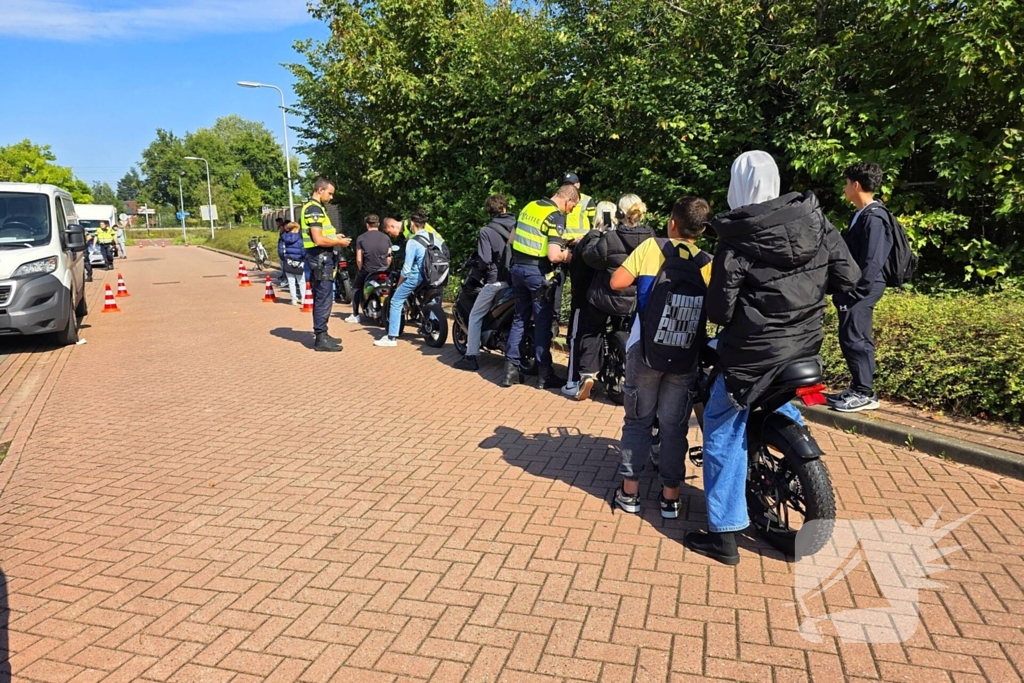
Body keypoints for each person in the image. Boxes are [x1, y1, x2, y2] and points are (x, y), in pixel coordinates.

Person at [683, 151, 860, 565]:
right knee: (773, 399)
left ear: (737, 185)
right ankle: (786, 449)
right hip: (805, 346)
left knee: (720, 425)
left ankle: (724, 535)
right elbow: (848, 278)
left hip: (752, 354)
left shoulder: (738, 236)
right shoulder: (818, 222)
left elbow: (719, 312)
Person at [607, 197, 714, 517]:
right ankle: (671, 498)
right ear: (702, 230)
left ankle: (630, 494)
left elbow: (617, 282)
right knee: (674, 426)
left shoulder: (651, 247)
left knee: (638, 421)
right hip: (685, 354)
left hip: (645, 349)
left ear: (672, 223)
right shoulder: (707, 261)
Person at [574, 194, 655, 400]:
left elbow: (590, 257)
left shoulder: (611, 238)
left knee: (591, 331)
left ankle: (587, 375)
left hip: (605, 297)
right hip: (634, 299)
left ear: (619, 213)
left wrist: (596, 234)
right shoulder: (651, 238)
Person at [828, 162, 892, 413]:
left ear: (856, 185)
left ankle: (864, 393)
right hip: (858, 286)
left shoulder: (875, 218)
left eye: (846, 183)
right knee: (854, 336)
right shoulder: (861, 214)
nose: (844, 188)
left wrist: (855, 292)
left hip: (865, 286)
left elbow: (873, 260)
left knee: (855, 337)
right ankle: (859, 387)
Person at [502, 184, 579, 388]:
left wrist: (559, 240)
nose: (570, 211)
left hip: (518, 269)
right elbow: (553, 255)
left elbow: (512, 239)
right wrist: (568, 255)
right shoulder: (556, 216)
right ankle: (545, 375)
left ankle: (510, 370)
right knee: (542, 323)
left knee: (520, 318)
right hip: (537, 274)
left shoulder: (530, 206)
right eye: (572, 207)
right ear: (568, 200)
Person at [454, 194, 517, 371]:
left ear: (489, 211)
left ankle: (471, 356)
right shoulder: (518, 225)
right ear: (504, 207)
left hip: (496, 281)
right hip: (517, 280)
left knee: (475, 316)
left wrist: (476, 264)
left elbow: (485, 261)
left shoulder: (486, 232)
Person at [561, 200, 616, 396]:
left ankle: (573, 381)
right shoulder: (618, 240)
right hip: (613, 297)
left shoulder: (590, 239)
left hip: (584, 297)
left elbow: (578, 268)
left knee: (577, 336)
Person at [375, 209, 444, 347]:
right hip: (435, 275)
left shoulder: (412, 241)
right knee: (433, 301)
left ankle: (391, 338)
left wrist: (399, 285)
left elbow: (406, 270)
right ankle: (434, 329)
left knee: (396, 301)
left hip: (417, 276)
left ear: (412, 223)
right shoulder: (434, 237)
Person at [301, 177, 352, 352]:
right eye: (329, 193)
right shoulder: (314, 209)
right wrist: (339, 243)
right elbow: (318, 239)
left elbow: (321, 235)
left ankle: (323, 332)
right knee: (323, 297)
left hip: (320, 257)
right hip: (320, 258)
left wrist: (334, 237)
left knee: (323, 296)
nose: (331, 197)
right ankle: (321, 338)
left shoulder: (316, 207)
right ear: (320, 190)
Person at [345, 214, 393, 323]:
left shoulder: (361, 238)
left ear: (367, 225)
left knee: (356, 288)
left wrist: (361, 269)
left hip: (368, 270)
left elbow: (359, 259)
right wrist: (385, 267)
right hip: (384, 270)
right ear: (378, 224)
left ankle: (355, 314)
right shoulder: (386, 238)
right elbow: (389, 257)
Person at [277, 221, 307, 306]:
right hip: (299, 261)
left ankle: (294, 299)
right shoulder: (300, 239)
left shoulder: (283, 238)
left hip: (288, 261)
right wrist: (303, 259)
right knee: (301, 281)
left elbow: (280, 250)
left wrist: (284, 259)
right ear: (296, 229)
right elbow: (303, 251)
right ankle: (303, 298)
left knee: (291, 281)